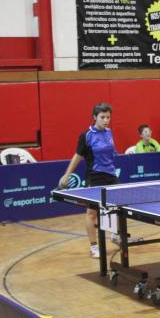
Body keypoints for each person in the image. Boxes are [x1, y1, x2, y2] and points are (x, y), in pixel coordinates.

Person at [59, 102, 118, 258]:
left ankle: (114, 235)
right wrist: (67, 174)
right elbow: (78, 156)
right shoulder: (87, 135)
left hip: (111, 176)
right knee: (92, 213)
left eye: (108, 117)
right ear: (94, 117)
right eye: (102, 117)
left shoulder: (109, 132)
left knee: (114, 208)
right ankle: (94, 246)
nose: (106, 120)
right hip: (95, 177)